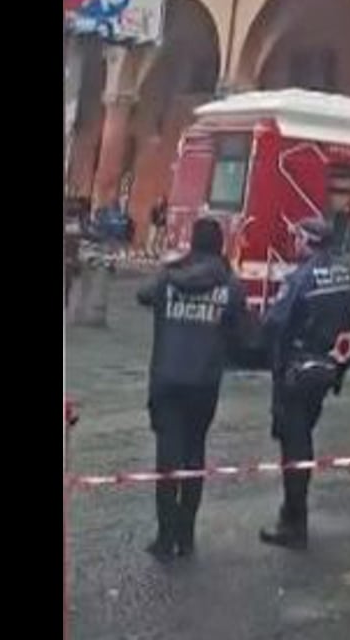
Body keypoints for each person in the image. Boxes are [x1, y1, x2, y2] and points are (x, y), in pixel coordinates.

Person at [134, 217, 245, 561]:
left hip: (167, 380)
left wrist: (174, 265)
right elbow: (243, 330)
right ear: (220, 245)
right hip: (204, 382)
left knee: (167, 459)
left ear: (193, 243)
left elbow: (142, 294)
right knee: (195, 455)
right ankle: (187, 535)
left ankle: (165, 537)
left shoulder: (169, 278)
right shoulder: (229, 284)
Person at [258, 216, 350, 550]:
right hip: (327, 370)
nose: (294, 243)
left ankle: (293, 523)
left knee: (295, 446)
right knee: (304, 438)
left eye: (298, 238)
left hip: (296, 372)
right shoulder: (346, 275)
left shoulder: (299, 278)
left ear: (308, 240)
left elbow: (274, 323)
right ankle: (293, 517)